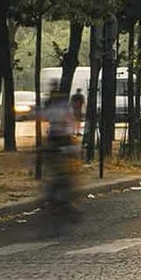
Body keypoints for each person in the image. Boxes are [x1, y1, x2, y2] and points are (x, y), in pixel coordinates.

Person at [37, 83, 80, 227]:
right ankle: (64, 198)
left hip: (59, 140)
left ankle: (66, 197)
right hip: (58, 140)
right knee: (63, 172)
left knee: (66, 172)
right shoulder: (61, 108)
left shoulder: (57, 108)